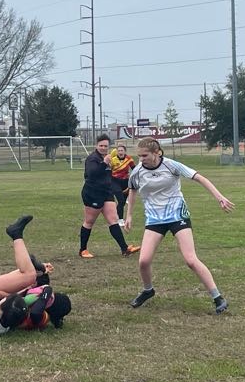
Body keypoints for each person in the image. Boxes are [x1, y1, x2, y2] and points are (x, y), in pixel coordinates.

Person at [124, 138, 233, 314]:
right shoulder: (137, 172)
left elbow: (200, 178)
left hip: (177, 216)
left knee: (190, 259)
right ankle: (148, 290)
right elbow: (132, 190)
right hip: (154, 219)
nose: (141, 159)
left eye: (144, 155)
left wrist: (219, 197)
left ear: (156, 153)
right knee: (143, 261)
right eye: (139, 156)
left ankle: (218, 297)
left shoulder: (171, 165)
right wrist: (129, 215)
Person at [78, 134, 140, 258]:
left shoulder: (109, 157)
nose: (103, 148)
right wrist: (104, 163)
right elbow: (91, 174)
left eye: (105, 146)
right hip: (92, 193)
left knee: (113, 220)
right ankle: (83, 250)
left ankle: (125, 249)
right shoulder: (92, 158)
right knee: (89, 222)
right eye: (101, 145)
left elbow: (108, 175)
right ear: (96, 145)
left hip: (106, 192)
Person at [110, 143, 136, 227]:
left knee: (123, 202)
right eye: (119, 151)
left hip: (125, 182)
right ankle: (120, 219)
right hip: (115, 181)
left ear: (125, 151)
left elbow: (135, 169)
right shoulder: (113, 160)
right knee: (120, 200)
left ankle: (116, 215)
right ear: (116, 152)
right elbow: (108, 171)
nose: (120, 152)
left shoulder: (129, 159)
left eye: (122, 150)